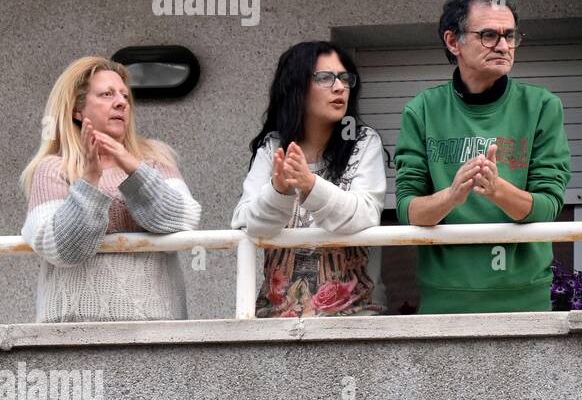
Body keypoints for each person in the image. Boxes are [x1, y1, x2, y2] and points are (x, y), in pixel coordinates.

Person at [395, 0, 570, 313]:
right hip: (444, 302)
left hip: (525, 302)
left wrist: (497, 190)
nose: (503, 46)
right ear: (453, 41)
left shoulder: (543, 107)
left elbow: (549, 206)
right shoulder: (421, 111)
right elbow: (407, 210)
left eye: (510, 36)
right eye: (488, 35)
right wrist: (453, 195)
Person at [20, 56, 202, 323]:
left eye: (125, 96)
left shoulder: (155, 160)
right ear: (76, 110)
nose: (120, 102)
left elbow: (183, 220)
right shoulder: (52, 169)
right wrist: (90, 182)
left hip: (156, 325)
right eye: (106, 94)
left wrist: (133, 167)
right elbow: (62, 248)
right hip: (73, 328)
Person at [232, 42, 388, 318]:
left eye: (344, 78)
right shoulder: (273, 147)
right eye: (325, 78)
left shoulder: (363, 142)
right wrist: (279, 191)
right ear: (297, 87)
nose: (340, 87)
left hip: (353, 317)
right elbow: (248, 224)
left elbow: (365, 215)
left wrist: (311, 186)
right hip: (276, 318)